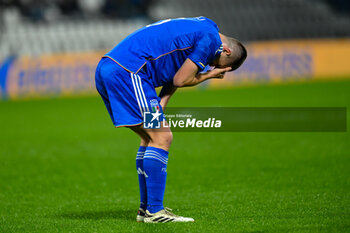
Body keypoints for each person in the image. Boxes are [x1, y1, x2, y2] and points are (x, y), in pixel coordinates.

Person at [95, 16, 247, 223]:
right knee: (163, 138)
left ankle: (145, 210)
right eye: (213, 62)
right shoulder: (211, 40)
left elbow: (176, 71)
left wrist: (162, 101)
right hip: (130, 73)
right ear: (226, 51)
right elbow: (181, 78)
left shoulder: (205, 25)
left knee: (150, 138)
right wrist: (209, 76)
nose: (210, 65)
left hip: (112, 68)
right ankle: (155, 212)